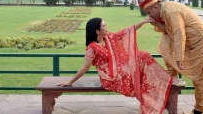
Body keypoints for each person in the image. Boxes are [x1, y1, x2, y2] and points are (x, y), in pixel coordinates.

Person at [56, 17, 186, 114]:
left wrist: (144, 21)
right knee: (140, 58)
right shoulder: (92, 47)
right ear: (97, 31)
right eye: (104, 26)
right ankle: (167, 80)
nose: (107, 28)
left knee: (143, 55)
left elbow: (127, 31)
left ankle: (165, 80)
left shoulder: (108, 38)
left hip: (120, 69)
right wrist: (70, 81)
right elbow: (85, 67)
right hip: (110, 77)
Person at [139, 0, 203, 114]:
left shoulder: (171, 11)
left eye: (149, 12)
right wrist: (156, 23)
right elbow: (169, 31)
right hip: (190, 43)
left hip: (200, 43)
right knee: (165, 40)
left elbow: (179, 33)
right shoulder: (165, 11)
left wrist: (179, 57)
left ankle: (200, 110)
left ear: (155, 8)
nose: (149, 15)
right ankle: (172, 78)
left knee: (199, 78)